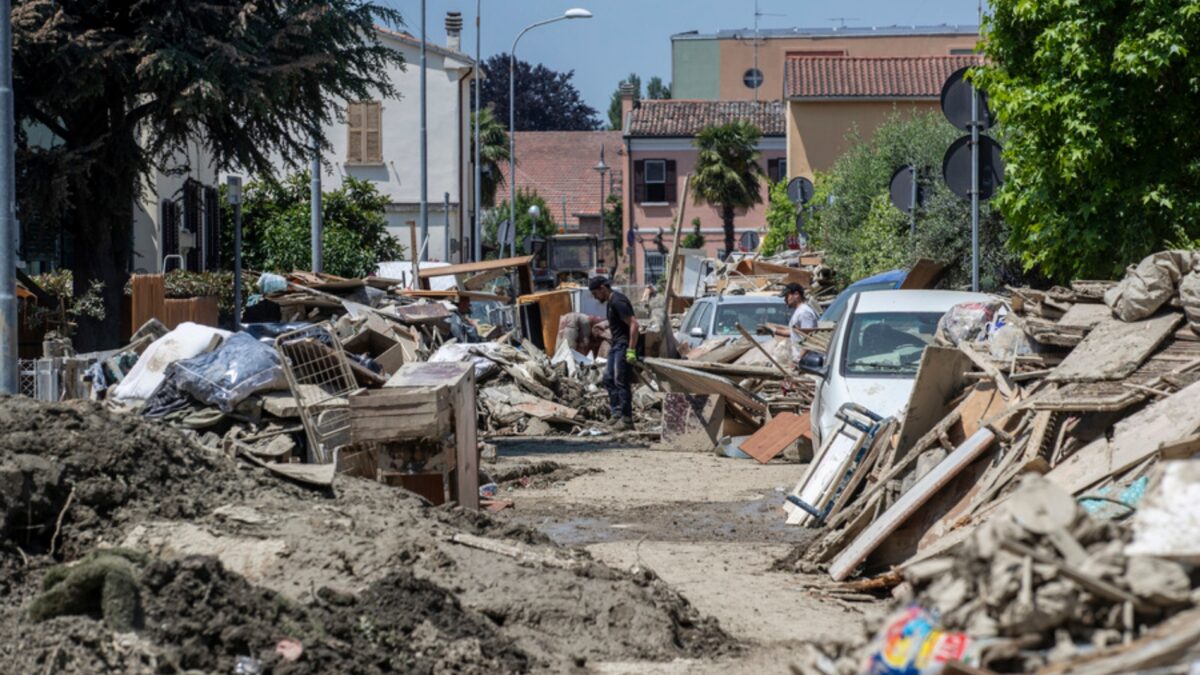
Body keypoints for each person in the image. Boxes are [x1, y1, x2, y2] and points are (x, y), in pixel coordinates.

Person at [589, 276, 638, 430]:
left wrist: (631, 349)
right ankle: (616, 414)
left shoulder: (618, 301)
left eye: (595, 293)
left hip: (623, 346)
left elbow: (634, 324)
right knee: (608, 379)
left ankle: (626, 419)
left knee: (620, 381)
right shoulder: (610, 302)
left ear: (603, 288)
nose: (595, 297)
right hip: (615, 345)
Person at [775, 282, 818, 361]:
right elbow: (794, 332)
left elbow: (808, 338)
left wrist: (798, 360)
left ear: (796, 294)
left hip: (806, 360)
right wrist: (775, 331)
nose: (785, 300)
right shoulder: (799, 311)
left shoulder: (804, 313)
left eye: (787, 296)